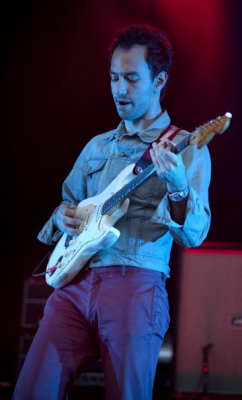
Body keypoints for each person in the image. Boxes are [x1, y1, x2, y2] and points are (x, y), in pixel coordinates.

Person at [13, 24, 211, 400]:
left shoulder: (186, 147)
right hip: (74, 285)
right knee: (31, 390)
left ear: (159, 80)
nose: (119, 90)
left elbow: (194, 234)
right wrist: (60, 216)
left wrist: (179, 185)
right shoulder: (96, 146)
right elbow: (68, 204)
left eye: (132, 79)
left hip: (136, 284)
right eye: (114, 78)